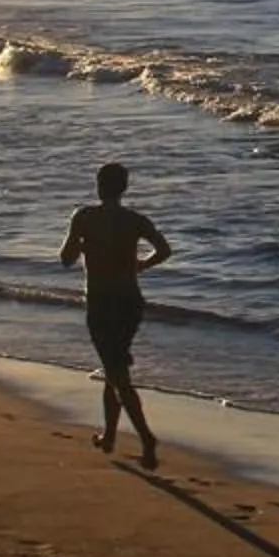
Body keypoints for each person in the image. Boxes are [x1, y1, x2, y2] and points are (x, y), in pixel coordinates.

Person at [58, 160, 172, 466]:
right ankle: (109, 437)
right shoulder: (134, 219)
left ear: (98, 186)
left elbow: (66, 260)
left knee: (117, 372)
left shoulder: (84, 217)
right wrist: (141, 265)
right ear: (124, 188)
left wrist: (82, 245)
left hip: (101, 302)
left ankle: (146, 438)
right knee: (114, 368)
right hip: (130, 301)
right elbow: (164, 249)